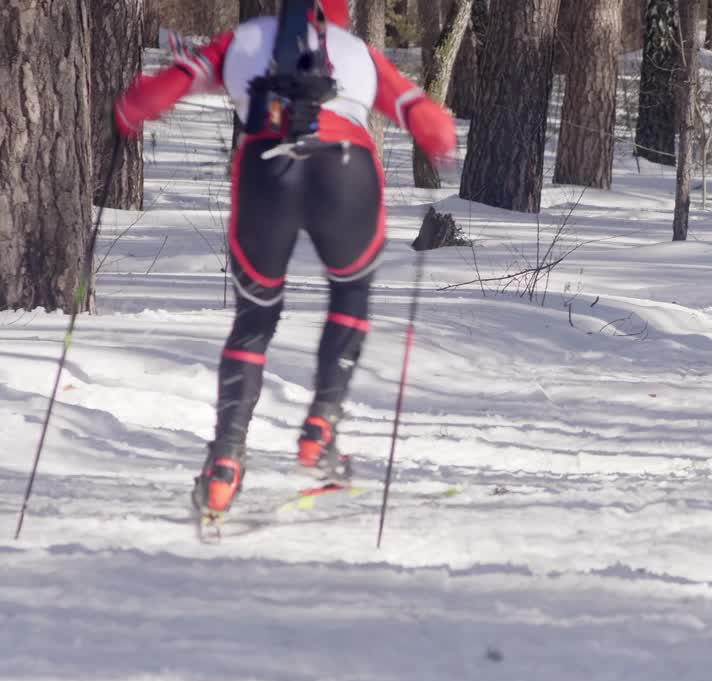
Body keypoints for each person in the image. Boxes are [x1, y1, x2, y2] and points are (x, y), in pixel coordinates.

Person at [114, 0, 456, 517]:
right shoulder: (357, 51)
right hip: (347, 172)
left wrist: (127, 116)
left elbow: (157, 92)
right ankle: (320, 429)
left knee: (254, 317)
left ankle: (225, 463)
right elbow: (428, 121)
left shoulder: (243, 38)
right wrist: (439, 146)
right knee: (350, 293)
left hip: (264, 171)